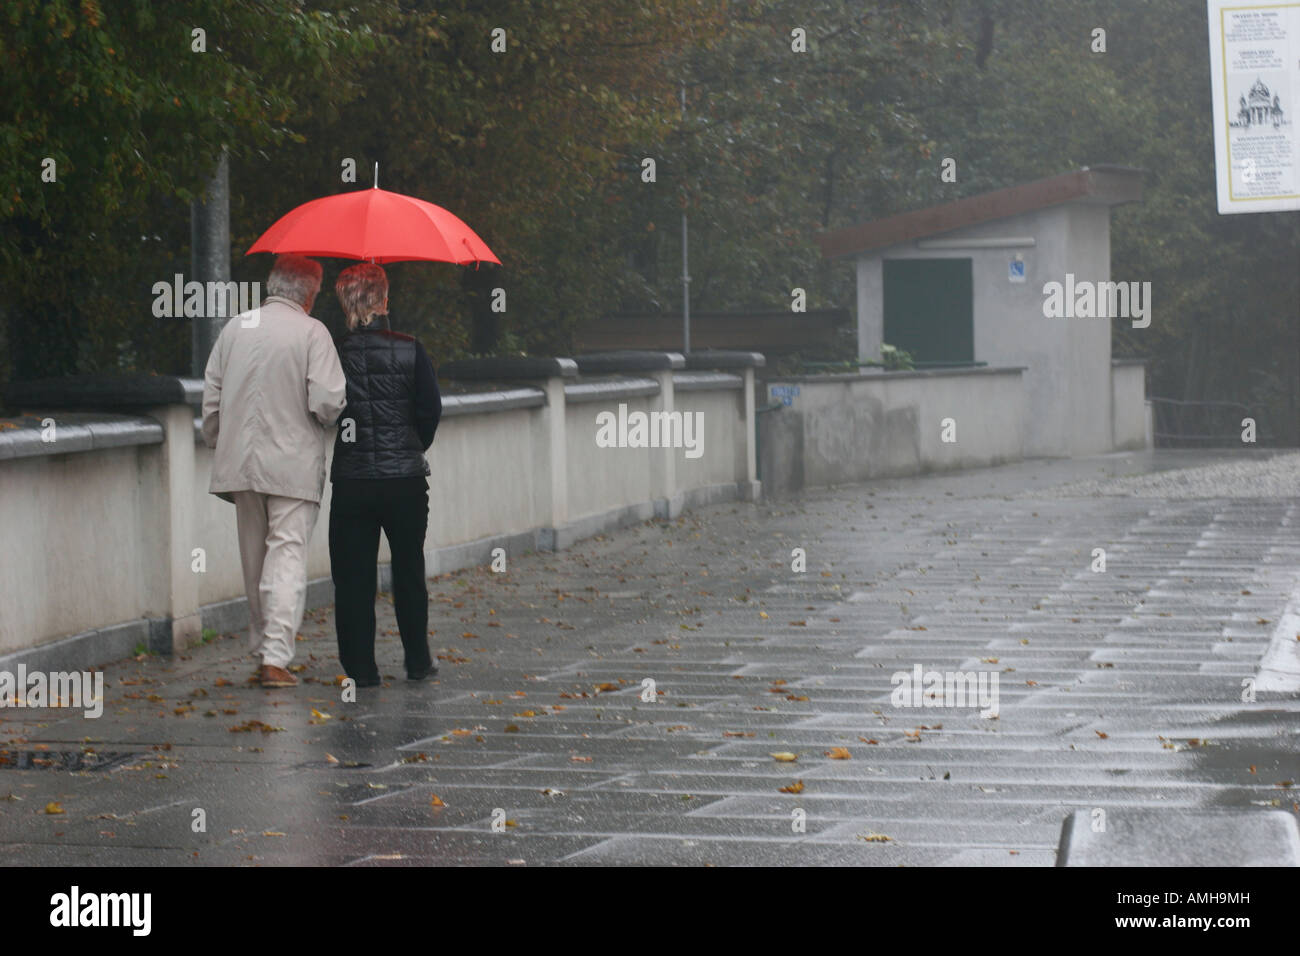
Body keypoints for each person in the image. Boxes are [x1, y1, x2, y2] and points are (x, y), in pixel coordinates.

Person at [201, 255, 346, 689]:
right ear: (310, 292)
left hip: (241, 464)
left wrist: (219, 441)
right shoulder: (313, 333)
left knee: (254, 560)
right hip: (293, 465)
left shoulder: (235, 328)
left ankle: (263, 649)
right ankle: (275, 659)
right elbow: (327, 402)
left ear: (272, 285)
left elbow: (211, 401)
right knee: (285, 557)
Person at [328, 263, 441, 687]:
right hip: (406, 482)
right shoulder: (411, 348)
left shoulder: (332, 352)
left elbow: (326, 408)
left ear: (345, 302)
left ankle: (362, 670)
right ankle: (417, 661)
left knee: (353, 578)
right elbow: (430, 409)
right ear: (384, 300)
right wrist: (411, 446)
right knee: (409, 570)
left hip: (354, 481)